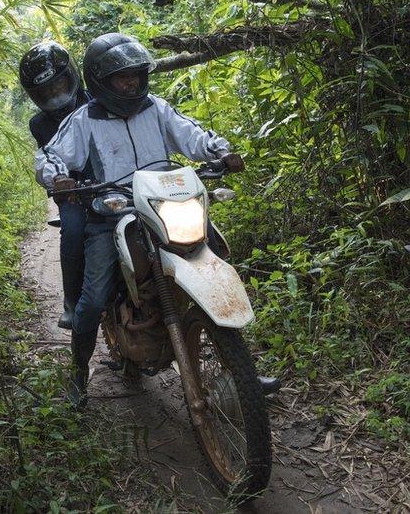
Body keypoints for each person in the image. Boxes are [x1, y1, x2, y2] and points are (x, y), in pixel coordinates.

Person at [36, 33, 245, 406]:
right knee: (94, 296)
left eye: (135, 74)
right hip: (111, 214)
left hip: (164, 207)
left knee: (216, 256)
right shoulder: (85, 119)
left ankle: (242, 369)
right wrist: (59, 178)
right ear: (101, 81)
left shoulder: (156, 108)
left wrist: (221, 151)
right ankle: (79, 373)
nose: (131, 82)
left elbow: (192, 134)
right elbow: (50, 157)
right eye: (122, 77)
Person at [19, 41, 90, 330]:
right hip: (74, 190)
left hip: (118, 176)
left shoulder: (98, 98)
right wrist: (61, 181)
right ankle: (71, 302)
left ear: (71, 76)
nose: (56, 95)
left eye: (59, 85)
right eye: (46, 93)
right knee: (72, 230)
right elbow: (49, 158)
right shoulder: (40, 124)